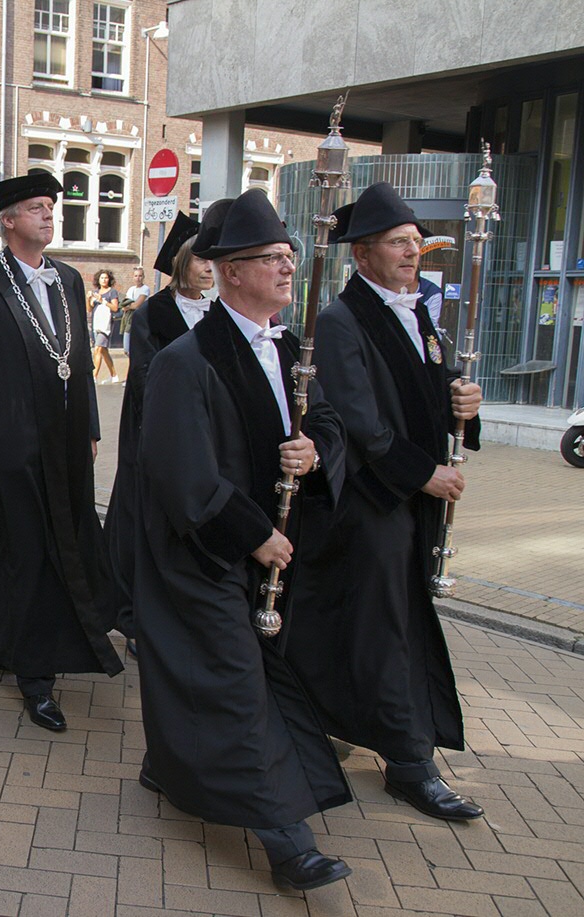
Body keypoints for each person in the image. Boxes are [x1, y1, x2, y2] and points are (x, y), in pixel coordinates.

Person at [134, 189, 352, 891]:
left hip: (271, 554)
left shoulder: (292, 348)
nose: (288, 268)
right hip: (203, 553)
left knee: (242, 677)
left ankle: (167, 762)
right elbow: (179, 471)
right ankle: (287, 842)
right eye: (271, 258)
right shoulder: (185, 360)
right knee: (236, 685)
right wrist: (253, 533)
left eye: (290, 256)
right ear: (228, 269)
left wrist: (313, 451)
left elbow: (332, 426)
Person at [284, 182, 486, 822]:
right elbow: (360, 420)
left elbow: (428, 386)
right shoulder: (342, 319)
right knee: (387, 628)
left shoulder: (415, 309)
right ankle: (408, 760)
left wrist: (464, 403)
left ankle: (309, 715)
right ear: (363, 254)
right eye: (399, 244)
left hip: (404, 503)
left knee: (347, 619)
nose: (412, 254)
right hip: (369, 504)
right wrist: (423, 474)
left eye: (415, 243)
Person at [0, 173, 122, 733]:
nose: (50, 216)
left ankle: (15, 639)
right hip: (8, 444)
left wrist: (90, 427)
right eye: (37, 208)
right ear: (8, 221)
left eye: (52, 208)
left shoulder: (69, 280)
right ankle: (36, 675)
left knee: (67, 542)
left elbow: (80, 369)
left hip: (65, 442)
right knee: (24, 551)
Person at [101, 214, 207, 643]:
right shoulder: (154, 313)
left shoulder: (219, 312)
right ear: (180, 260)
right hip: (155, 435)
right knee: (143, 526)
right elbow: (146, 378)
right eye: (200, 257)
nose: (208, 266)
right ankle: (134, 620)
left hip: (205, 440)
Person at [88, 270, 120, 383]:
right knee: (103, 350)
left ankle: (94, 376)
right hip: (96, 323)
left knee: (98, 348)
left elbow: (115, 308)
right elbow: (89, 309)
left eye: (106, 278)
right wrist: (88, 298)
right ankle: (114, 375)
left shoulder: (112, 292)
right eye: (102, 278)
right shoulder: (96, 292)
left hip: (106, 325)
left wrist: (103, 301)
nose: (104, 280)